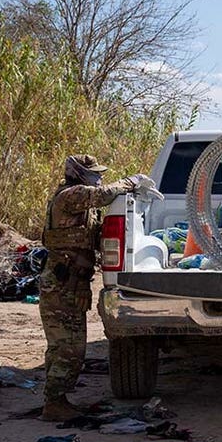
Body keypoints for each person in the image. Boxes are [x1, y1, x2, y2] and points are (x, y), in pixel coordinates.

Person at [39, 155, 147, 421]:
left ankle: (55, 399)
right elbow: (103, 193)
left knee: (64, 345)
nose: (98, 177)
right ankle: (54, 403)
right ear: (78, 174)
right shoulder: (71, 195)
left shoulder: (79, 204)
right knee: (69, 348)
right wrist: (131, 182)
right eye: (93, 174)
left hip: (71, 284)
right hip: (62, 284)